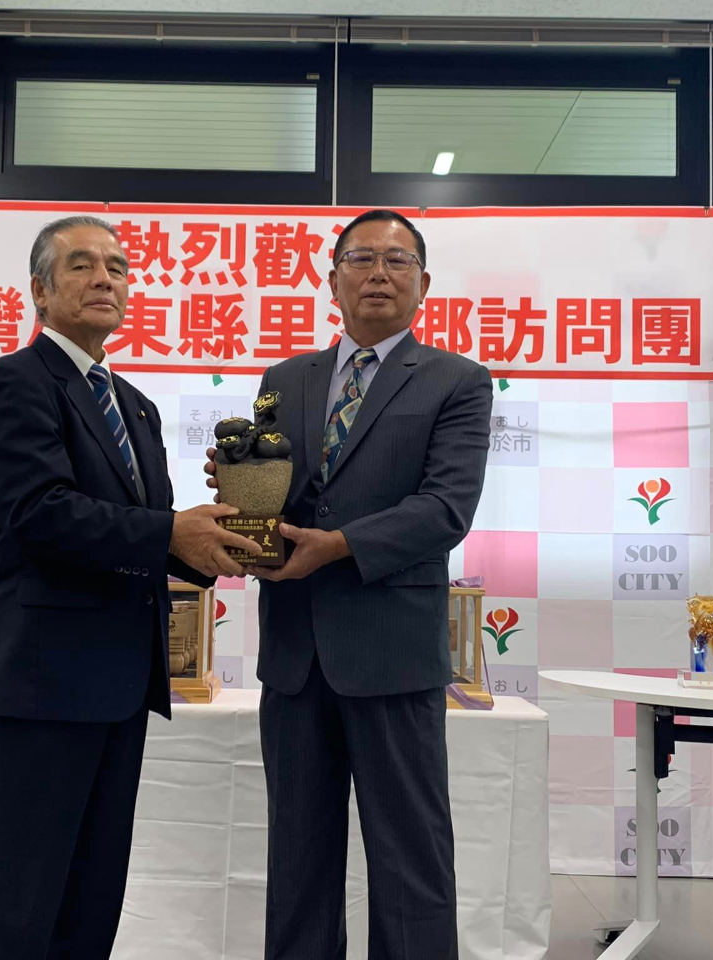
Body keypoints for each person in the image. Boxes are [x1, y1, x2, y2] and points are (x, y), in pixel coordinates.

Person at [0, 216, 258, 960]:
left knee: (88, 897)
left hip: (119, 681)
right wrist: (172, 534)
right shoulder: (14, 383)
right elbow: (37, 515)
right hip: (36, 676)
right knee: (12, 895)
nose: (104, 279)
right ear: (40, 290)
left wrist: (228, 542)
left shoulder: (135, 406)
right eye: (82, 265)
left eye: (117, 268)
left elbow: (152, 529)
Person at [206, 209, 492, 958]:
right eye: (361, 258)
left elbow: (446, 508)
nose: (378, 273)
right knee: (297, 855)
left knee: (411, 856)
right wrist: (241, 484)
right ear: (332, 280)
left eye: (398, 261)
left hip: (391, 650)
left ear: (424, 284)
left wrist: (335, 548)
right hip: (295, 652)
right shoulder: (284, 378)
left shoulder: (458, 381)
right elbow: (277, 484)